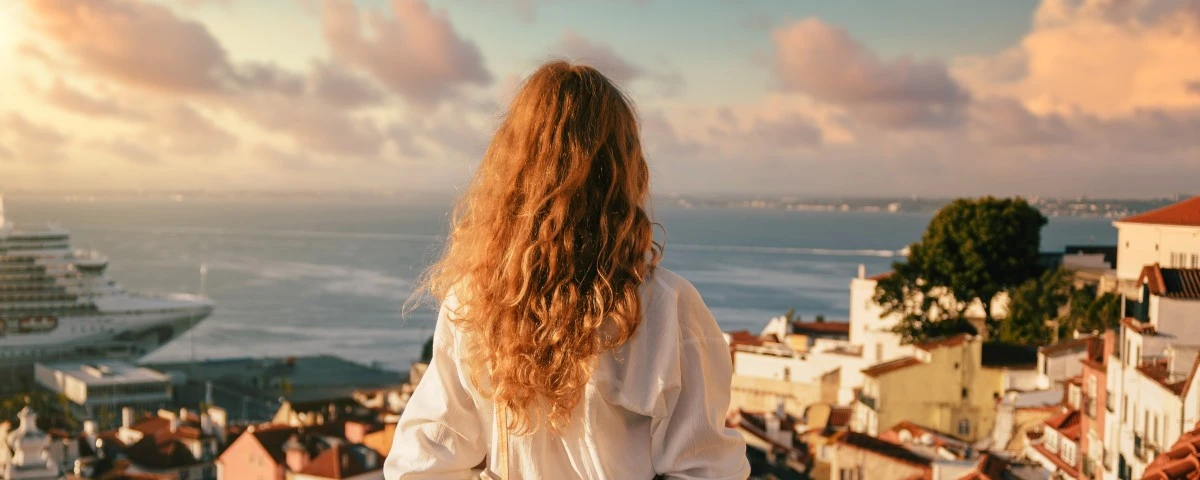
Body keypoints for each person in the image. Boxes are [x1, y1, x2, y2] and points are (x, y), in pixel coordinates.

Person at [384, 61, 749, 480]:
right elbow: (709, 472)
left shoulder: (473, 304)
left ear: (511, 169)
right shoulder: (668, 309)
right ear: (625, 170)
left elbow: (420, 466)